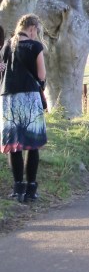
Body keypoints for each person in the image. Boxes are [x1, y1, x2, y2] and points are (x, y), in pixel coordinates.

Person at [0, 14, 48, 203]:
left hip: (9, 99)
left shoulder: (6, 46)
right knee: (32, 144)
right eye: (37, 30)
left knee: (15, 145)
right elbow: (41, 74)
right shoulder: (35, 47)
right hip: (29, 97)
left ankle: (18, 187)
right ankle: (31, 189)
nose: (37, 34)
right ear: (32, 28)